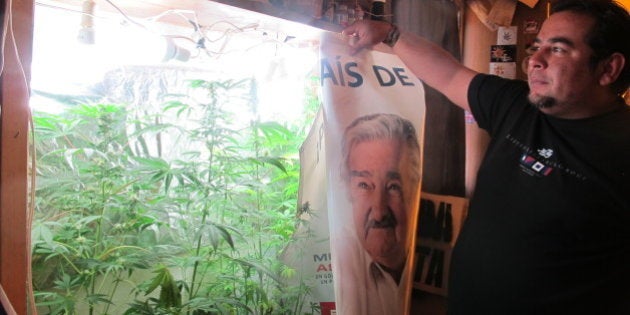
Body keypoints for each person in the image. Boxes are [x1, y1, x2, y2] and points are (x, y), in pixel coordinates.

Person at [343, 0, 630, 314]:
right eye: (537, 46)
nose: (535, 60)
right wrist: (390, 34)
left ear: (608, 69)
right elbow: (449, 76)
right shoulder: (516, 104)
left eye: (558, 49)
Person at [341, 113, 421, 315]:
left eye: (393, 187)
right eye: (364, 185)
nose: (378, 213)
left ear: (415, 189)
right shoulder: (338, 257)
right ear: (347, 190)